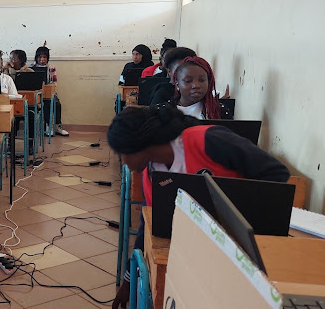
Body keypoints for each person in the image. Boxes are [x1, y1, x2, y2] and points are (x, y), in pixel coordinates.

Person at [107, 105, 290, 308]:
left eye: (122, 154)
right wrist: (129, 280)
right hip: (200, 257)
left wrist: (238, 218)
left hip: (242, 254)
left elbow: (276, 173)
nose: (123, 162)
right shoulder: (151, 175)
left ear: (139, 144)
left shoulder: (207, 139)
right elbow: (147, 224)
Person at [31, 46, 68, 136]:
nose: (42, 59)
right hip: (37, 94)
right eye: (40, 57)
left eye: (44, 57)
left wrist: (49, 87)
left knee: (57, 104)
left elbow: (54, 82)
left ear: (47, 58)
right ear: (36, 58)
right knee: (45, 104)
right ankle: (48, 126)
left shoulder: (51, 68)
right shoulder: (31, 68)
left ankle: (57, 126)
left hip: (49, 93)